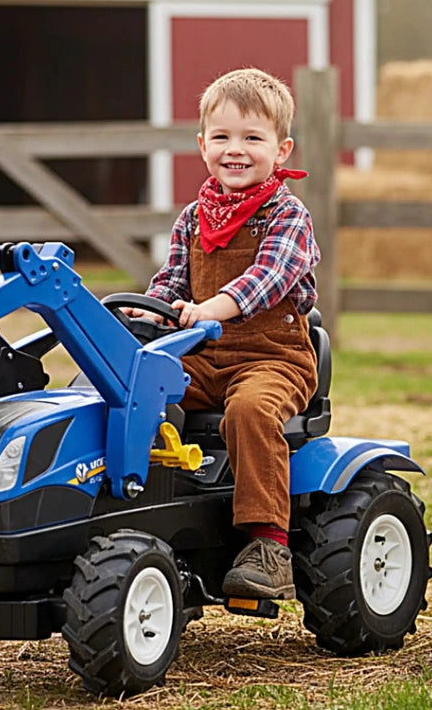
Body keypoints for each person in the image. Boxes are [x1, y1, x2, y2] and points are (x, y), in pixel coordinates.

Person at [130, 67, 320, 601]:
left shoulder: (288, 216)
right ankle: (143, 505)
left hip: (272, 358)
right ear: (202, 145)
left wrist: (208, 308)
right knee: (137, 389)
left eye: (252, 139)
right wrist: (152, 314)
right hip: (202, 356)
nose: (236, 150)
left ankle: (268, 544)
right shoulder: (193, 218)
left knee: (250, 411)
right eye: (223, 137)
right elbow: (170, 283)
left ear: (280, 150)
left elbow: (266, 280)